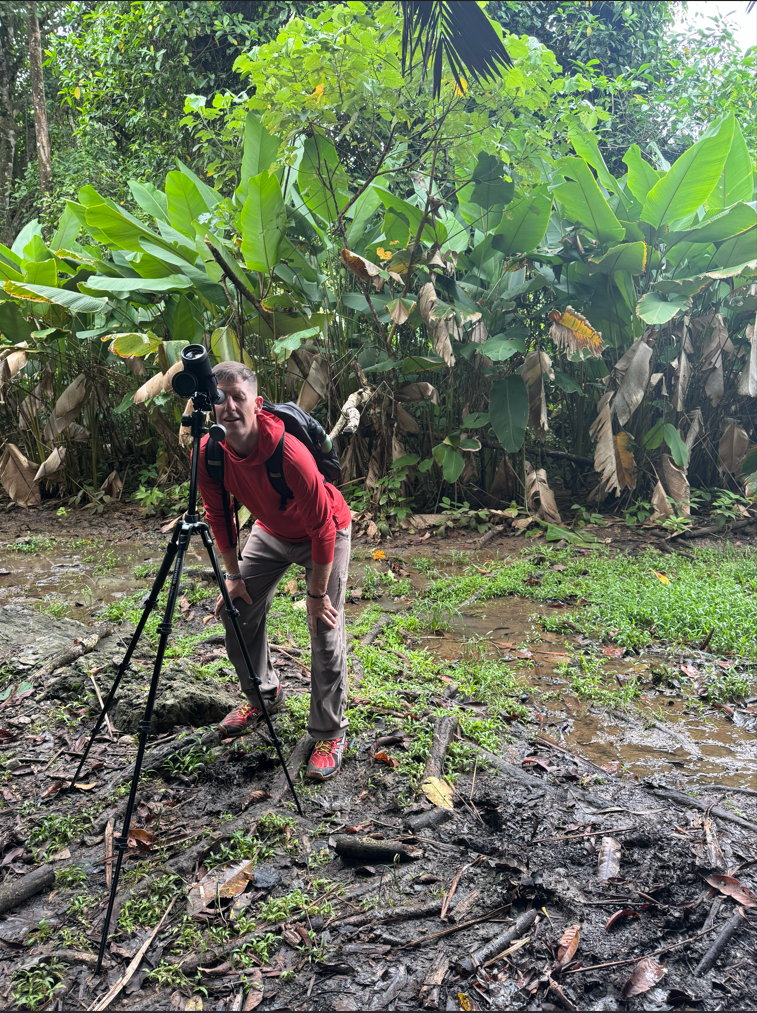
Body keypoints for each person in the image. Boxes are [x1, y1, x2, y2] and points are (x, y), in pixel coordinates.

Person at [196, 361, 352, 781]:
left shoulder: (288, 452)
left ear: (256, 403)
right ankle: (264, 694)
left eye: (238, 397)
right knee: (237, 610)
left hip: (326, 531)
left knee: (324, 628)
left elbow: (321, 528)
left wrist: (316, 597)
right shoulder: (209, 451)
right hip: (271, 529)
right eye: (220, 398)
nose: (229, 406)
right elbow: (219, 514)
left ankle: (329, 731)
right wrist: (233, 577)